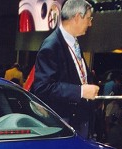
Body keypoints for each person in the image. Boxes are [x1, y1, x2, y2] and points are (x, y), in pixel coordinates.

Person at [31, 0, 100, 139]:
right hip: (63, 126)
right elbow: (43, 87)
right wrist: (81, 91)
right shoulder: (52, 46)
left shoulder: (73, 42)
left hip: (78, 122)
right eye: (89, 18)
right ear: (77, 17)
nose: (90, 23)